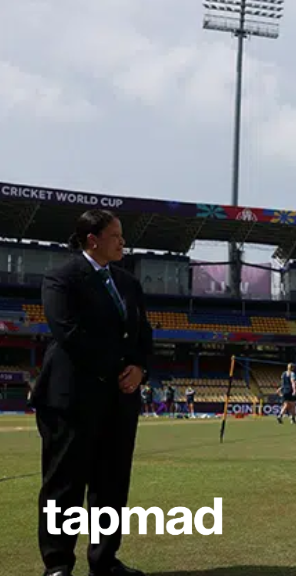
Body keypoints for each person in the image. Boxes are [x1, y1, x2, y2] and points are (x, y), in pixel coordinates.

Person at [30, 209, 153, 576]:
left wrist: (139, 368)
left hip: (119, 400)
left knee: (111, 485)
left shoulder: (128, 283)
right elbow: (68, 333)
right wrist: (117, 367)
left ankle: (104, 560)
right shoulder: (62, 278)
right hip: (71, 398)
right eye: (115, 236)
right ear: (92, 240)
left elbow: (144, 333)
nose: (122, 242)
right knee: (64, 485)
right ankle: (58, 564)